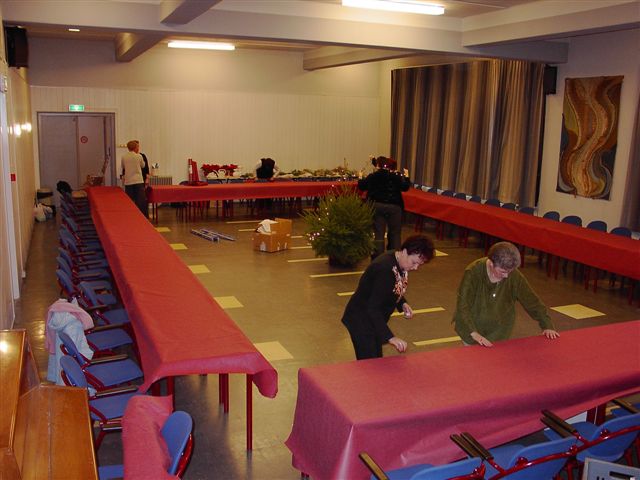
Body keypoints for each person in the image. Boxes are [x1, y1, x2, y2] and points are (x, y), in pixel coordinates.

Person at [342, 235, 435, 360]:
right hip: (361, 319)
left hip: (373, 319)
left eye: (419, 264)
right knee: (369, 362)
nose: (415, 268)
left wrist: (402, 303)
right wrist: (390, 337)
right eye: (414, 263)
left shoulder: (398, 261)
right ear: (405, 251)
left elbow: (392, 287)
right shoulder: (385, 269)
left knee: (375, 359)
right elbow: (373, 307)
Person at [453, 241, 560, 347]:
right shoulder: (473, 272)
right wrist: (473, 333)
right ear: (491, 264)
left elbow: (531, 301)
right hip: (472, 331)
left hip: (500, 333)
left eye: (510, 271)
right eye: (503, 271)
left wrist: (547, 324)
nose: (506, 276)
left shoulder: (514, 276)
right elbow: (463, 306)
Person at [358, 156, 411, 258]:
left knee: (379, 233)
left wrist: (360, 177)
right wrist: (407, 177)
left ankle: (378, 258)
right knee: (395, 233)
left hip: (377, 206)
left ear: (378, 165)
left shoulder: (373, 176)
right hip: (395, 207)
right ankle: (395, 257)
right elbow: (405, 187)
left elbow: (362, 186)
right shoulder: (395, 176)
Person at [120, 140, 147, 216]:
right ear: (135, 147)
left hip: (128, 181)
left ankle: (130, 215)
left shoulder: (124, 156)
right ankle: (141, 215)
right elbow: (143, 165)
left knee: (130, 200)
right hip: (138, 180)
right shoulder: (139, 156)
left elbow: (123, 166)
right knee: (140, 200)